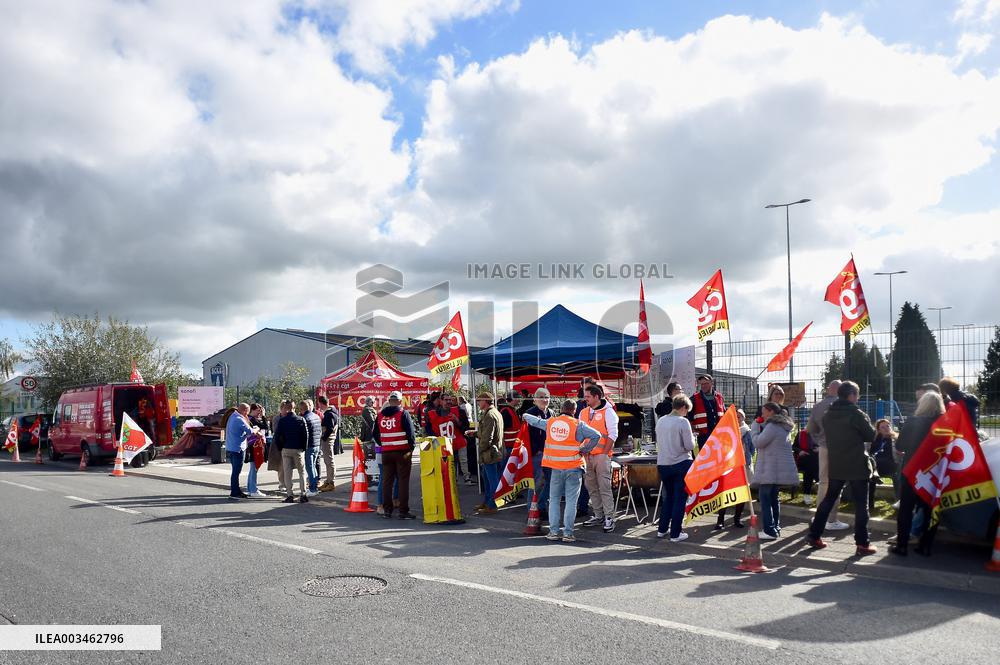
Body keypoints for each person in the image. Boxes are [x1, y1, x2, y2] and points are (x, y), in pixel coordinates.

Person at [807, 381, 878, 555]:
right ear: (852, 395)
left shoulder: (828, 414)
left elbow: (814, 430)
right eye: (857, 395)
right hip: (857, 464)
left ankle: (814, 534)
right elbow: (871, 435)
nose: (858, 398)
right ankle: (862, 543)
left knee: (829, 499)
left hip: (836, 463)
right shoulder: (856, 414)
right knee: (861, 505)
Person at [523, 399, 602, 542]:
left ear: (561, 409)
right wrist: (585, 449)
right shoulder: (579, 425)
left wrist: (525, 416)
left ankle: (553, 532)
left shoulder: (551, 423)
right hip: (574, 467)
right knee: (571, 501)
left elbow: (534, 421)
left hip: (555, 468)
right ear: (574, 410)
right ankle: (568, 533)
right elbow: (597, 435)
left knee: (553, 500)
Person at [890, 390, 946, 556]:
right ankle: (925, 546)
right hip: (935, 471)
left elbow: (900, 447)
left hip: (912, 470)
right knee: (930, 508)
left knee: (906, 508)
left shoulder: (913, 421)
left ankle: (902, 546)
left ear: (922, 404)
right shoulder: (945, 423)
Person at [751, 402, 799, 540]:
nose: (762, 414)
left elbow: (758, 442)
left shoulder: (772, 426)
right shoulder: (783, 426)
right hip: (776, 470)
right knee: (774, 499)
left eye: (764, 411)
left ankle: (769, 530)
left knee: (766, 500)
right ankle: (775, 527)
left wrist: (754, 428)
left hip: (769, 471)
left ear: (771, 412)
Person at [807, 380, 850, 531]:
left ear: (828, 389)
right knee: (836, 482)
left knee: (823, 483)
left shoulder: (818, 406)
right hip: (841, 447)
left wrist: (819, 440)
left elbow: (810, 428)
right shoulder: (844, 404)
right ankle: (831, 519)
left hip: (824, 447)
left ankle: (820, 517)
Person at [655, 394, 696, 542]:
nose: (687, 413)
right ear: (684, 407)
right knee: (680, 499)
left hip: (663, 464)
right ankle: (676, 533)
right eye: (687, 410)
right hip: (681, 463)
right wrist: (694, 439)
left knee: (669, 498)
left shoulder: (660, 421)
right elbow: (689, 446)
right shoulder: (683, 422)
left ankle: (662, 529)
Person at [579, 384, 619, 533]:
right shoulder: (583, 412)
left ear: (596, 397)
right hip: (587, 456)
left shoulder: (609, 412)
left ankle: (609, 517)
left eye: (588, 396)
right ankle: (598, 514)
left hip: (601, 456)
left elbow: (612, 435)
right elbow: (579, 433)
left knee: (604, 487)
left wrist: (604, 454)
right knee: (591, 486)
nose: (585, 399)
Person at [372, 391, 417, 519]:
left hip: (386, 452)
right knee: (403, 482)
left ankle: (387, 510)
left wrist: (384, 443)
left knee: (387, 481)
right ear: (400, 401)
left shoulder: (380, 415)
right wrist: (411, 448)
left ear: (389, 401)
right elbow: (411, 434)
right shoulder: (403, 413)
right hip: (402, 452)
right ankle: (403, 511)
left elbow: (375, 433)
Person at [715, 409, 755, 529]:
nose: (737, 419)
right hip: (729, 467)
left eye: (739, 417)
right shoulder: (726, 431)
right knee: (725, 494)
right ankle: (720, 520)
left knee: (741, 494)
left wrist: (745, 459)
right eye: (735, 417)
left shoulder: (747, 431)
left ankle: (737, 519)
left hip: (742, 466)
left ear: (743, 418)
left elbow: (752, 449)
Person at [469, 390, 504, 515]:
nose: (478, 403)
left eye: (480, 401)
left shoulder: (490, 415)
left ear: (486, 401)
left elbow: (487, 438)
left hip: (490, 453)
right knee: (488, 480)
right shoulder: (494, 413)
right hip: (494, 451)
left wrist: (481, 448)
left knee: (492, 480)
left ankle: (492, 505)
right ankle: (488, 502)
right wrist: (475, 434)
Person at [522, 388, 555, 518]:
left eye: (547, 397)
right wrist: (535, 451)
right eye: (541, 397)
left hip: (550, 454)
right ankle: (532, 510)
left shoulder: (551, 413)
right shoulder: (530, 413)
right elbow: (526, 435)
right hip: (537, 454)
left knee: (548, 482)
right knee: (536, 483)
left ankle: (541, 507)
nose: (544, 399)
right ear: (535, 399)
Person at [274, 399, 308, 503]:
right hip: (298, 449)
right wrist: (304, 448)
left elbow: (277, 436)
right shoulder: (300, 419)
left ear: (287, 408)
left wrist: (281, 447)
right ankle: (303, 494)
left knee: (287, 473)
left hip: (286, 449)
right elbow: (306, 435)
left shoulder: (282, 420)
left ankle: (290, 495)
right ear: (294, 408)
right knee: (301, 472)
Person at [225, 403, 252, 500]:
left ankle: (237, 490)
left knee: (235, 471)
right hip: (238, 449)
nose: (247, 414)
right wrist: (256, 429)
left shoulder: (232, 416)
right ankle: (234, 492)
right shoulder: (239, 419)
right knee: (236, 471)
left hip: (231, 447)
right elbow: (250, 431)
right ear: (245, 410)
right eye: (247, 412)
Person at [689, 374, 724, 447]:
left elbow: (724, 414)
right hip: (702, 437)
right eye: (702, 384)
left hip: (718, 435)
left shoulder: (719, 397)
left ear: (712, 383)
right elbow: (688, 417)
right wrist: (693, 431)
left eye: (706, 383)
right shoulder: (694, 399)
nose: (704, 386)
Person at [869, 418, 898, 505]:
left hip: (892, 466)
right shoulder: (874, 440)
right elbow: (870, 453)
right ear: (878, 430)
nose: (886, 428)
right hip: (876, 467)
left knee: (897, 476)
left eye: (888, 426)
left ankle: (899, 501)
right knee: (869, 475)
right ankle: (869, 503)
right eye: (883, 427)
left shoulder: (896, 439)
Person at [245, 403, 269, 498]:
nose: (259, 413)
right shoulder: (251, 420)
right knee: (255, 467)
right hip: (254, 446)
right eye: (258, 411)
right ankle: (253, 490)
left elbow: (266, 428)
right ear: (253, 410)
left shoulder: (251, 419)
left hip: (255, 445)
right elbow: (264, 426)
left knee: (253, 468)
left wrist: (262, 417)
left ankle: (250, 489)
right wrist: (263, 416)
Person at [316, 396, 339, 492]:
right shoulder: (332, 412)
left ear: (321, 403)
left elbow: (329, 428)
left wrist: (323, 437)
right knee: (328, 461)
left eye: (319, 404)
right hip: (329, 439)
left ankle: (331, 482)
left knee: (329, 461)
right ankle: (328, 480)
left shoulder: (329, 414)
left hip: (328, 440)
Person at [301, 400, 322, 497]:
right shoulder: (316, 416)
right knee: (313, 466)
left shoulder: (305, 418)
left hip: (309, 445)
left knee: (309, 467)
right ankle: (315, 487)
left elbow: (304, 434)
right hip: (317, 444)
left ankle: (312, 488)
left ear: (302, 409)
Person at [498, 391, 523, 471]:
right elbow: (500, 431)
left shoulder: (511, 410)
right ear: (513, 399)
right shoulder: (506, 411)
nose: (519, 400)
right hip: (507, 447)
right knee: (505, 471)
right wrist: (503, 448)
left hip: (512, 446)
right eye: (518, 398)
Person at [267, 402, 286, 496]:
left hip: (288, 444)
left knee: (287, 465)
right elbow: (276, 431)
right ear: (281, 408)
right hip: (279, 444)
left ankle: (286, 483)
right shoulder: (276, 418)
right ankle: (282, 484)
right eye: (285, 408)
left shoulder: (290, 416)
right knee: (281, 465)